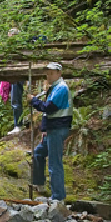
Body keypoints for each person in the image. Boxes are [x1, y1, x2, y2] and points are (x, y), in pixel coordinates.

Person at [29, 61, 72, 201]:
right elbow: (49, 113)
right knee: (39, 153)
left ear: (59, 73)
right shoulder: (53, 88)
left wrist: (34, 101)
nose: (49, 75)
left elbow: (49, 107)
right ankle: (39, 184)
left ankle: (58, 197)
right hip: (52, 129)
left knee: (54, 163)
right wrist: (45, 129)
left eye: (52, 72)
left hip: (58, 129)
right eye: (48, 72)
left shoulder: (61, 88)